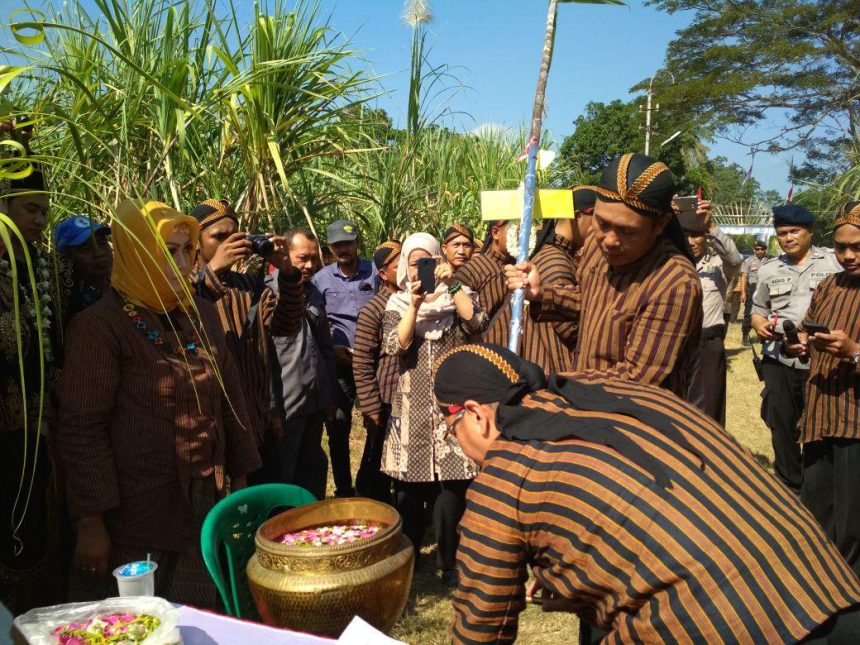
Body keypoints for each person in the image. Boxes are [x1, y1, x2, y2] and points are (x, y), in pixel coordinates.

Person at [434, 343, 860, 645]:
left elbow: (481, 626)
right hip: (829, 590)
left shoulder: (506, 474)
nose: (460, 448)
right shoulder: (615, 392)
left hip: (724, 625)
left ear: (474, 414)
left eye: (452, 433)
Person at [57, 199, 261, 607]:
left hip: (206, 504)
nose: (182, 262)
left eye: (188, 250)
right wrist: (91, 522)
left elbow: (230, 398)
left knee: (200, 615)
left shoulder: (201, 314)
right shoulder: (100, 326)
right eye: (168, 251)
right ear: (136, 252)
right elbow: (82, 428)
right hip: (137, 515)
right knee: (141, 621)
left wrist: (241, 480)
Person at [505, 153, 703, 396]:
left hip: (634, 422)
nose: (609, 241)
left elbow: (636, 379)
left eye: (628, 232)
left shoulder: (675, 284)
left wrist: (550, 381)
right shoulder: (595, 248)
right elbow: (590, 302)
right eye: (602, 223)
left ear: (660, 225)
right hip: (584, 404)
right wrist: (541, 294)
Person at [381, 232, 488, 586]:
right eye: (414, 263)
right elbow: (397, 345)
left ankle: (449, 560)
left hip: (451, 404)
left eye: (426, 261)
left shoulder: (456, 295)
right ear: (403, 268)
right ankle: (407, 559)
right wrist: (413, 304)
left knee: (452, 483)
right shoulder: (396, 304)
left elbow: (476, 324)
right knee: (409, 487)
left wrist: (453, 284)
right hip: (411, 405)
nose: (420, 269)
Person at [0, 170, 70, 614]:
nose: (41, 219)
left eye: (46, 210)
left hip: (47, 423)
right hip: (7, 425)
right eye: (31, 209)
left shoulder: (47, 266)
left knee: (44, 518)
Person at [783, 201, 860, 576]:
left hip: (855, 427)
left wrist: (855, 352)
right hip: (820, 418)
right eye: (841, 246)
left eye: (857, 247)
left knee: (852, 526)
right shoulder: (830, 285)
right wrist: (796, 343)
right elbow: (807, 329)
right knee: (815, 515)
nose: (847, 255)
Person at [751, 204, 841, 494]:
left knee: (819, 424)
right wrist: (758, 322)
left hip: (822, 360)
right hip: (779, 358)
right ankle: (789, 486)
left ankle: (818, 488)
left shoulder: (833, 263)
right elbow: (757, 308)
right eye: (781, 234)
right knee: (782, 424)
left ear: (810, 232)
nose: (788, 238)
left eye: (794, 231)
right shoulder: (769, 269)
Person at [192, 199, 277, 482]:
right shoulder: (183, 286)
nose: (229, 244)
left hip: (256, 414)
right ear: (195, 242)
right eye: (218, 237)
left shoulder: (248, 285)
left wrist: (286, 271)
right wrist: (212, 271)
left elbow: (285, 325)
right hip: (214, 423)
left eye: (235, 237)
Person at [267, 227, 338, 501]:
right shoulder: (268, 293)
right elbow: (265, 359)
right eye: (302, 258)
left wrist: (329, 395)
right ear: (284, 256)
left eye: (314, 258)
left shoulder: (315, 292)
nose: (310, 266)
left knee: (313, 469)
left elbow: (325, 348)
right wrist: (272, 408)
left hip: (314, 402)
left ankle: (312, 526)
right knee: (284, 473)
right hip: (287, 405)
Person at [312, 219, 378, 497]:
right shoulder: (321, 280)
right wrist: (331, 347)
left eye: (348, 243)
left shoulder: (374, 272)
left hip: (371, 365)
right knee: (338, 428)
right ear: (330, 248)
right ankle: (343, 489)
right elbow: (315, 321)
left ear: (357, 244)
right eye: (338, 245)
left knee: (376, 424)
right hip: (338, 366)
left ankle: (370, 483)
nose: (344, 249)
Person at [683, 200, 742, 423]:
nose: (691, 241)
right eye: (686, 234)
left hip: (707, 344)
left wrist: (710, 226)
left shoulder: (719, 265)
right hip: (678, 343)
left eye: (697, 234)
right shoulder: (673, 262)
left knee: (707, 410)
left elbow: (735, 259)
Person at [353, 241, 402, 502]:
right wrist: (371, 408)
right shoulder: (374, 310)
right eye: (399, 265)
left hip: (407, 398)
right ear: (383, 274)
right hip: (386, 399)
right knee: (377, 458)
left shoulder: (415, 303)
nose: (406, 269)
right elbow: (362, 362)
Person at [455, 219, 512, 345]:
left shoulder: (522, 267)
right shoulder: (471, 270)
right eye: (516, 231)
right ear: (496, 233)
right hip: (486, 355)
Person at [55, 215, 113, 320]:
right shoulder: (67, 302)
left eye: (102, 243)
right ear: (67, 256)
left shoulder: (124, 284)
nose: (99, 253)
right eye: (86, 248)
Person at [740, 238, 769, 344]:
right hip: (753, 288)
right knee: (748, 312)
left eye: (762, 249)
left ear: (765, 250)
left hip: (766, 289)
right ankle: (745, 335)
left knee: (765, 312)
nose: (759, 251)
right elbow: (744, 276)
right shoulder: (749, 261)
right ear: (754, 250)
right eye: (757, 249)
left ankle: (762, 335)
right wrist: (743, 292)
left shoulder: (770, 261)